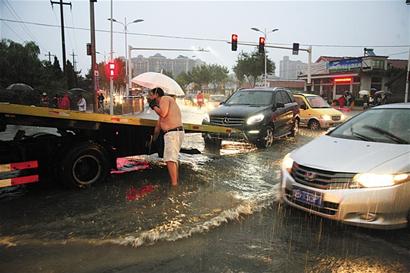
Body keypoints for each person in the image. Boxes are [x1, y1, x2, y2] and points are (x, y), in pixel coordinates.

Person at [147, 87, 184, 186]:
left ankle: (174, 185)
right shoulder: (163, 105)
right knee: (172, 159)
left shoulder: (165, 99)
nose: (149, 97)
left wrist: (153, 106)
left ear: (156, 94)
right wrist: (153, 140)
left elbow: (163, 113)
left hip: (173, 133)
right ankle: (175, 182)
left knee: (170, 159)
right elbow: (158, 126)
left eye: (151, 95)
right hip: (173, 133)